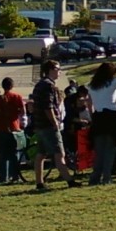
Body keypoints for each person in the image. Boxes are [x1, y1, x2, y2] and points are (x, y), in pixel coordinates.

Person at [32, 60, 81, 191]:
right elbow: (48, 107)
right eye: (58, 69)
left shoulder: (39, 85)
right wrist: (55, 123)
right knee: (59, 153)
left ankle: (39, 182)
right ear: (51, 70)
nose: (60, 72)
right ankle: (69, 181)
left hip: (39, 125)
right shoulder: (48, 86)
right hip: (48, 125)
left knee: (41, 154)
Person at [88, 62, 116, 185]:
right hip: (111, 117)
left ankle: (95, 177)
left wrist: (92, 117)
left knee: (99, 150)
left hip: (98, 117)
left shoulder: (91, 85)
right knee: (110, 149)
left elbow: (89, 104)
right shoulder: (112, 82)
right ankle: (107, 177)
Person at [0, 77, 26, 184]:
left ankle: (3, 176)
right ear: (12, 86)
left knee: (3, 154)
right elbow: (23, 111)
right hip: (15, 127)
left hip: (2, 128)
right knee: (15, 153)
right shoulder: (17, 96)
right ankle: (15, 176)